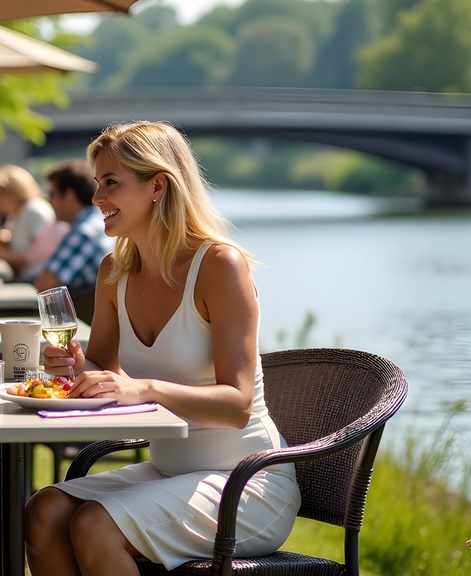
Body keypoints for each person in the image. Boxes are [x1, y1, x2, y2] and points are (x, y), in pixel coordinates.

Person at [25, 121, 301, 574]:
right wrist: (76, 366)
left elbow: (237, 405)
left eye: (110, 184)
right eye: (97, 184)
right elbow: (102, 366)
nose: (97, 199)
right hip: (170, 473)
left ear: (158, 186)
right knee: (44, 511)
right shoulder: (115, 270)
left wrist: (144, 388)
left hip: (245, 483)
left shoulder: (218, 265)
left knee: (96, 524)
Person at [35, 159, 113, 323]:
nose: (50, 201)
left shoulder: (85, 231)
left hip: (82, 324)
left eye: (53, 195)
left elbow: (45, 285)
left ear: (69, 196)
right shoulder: (100, 221)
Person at [0, 163, 67, 282]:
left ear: (14, 192)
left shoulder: (34, 210)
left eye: (0, 196)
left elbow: (41, 255)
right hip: (25, 277)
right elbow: (17, 247)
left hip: (36, 280)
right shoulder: (17, 213)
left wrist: (4, 255)